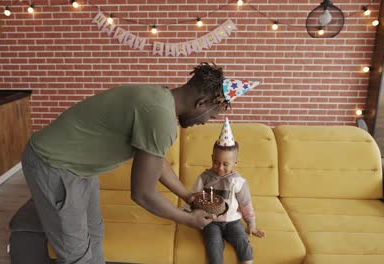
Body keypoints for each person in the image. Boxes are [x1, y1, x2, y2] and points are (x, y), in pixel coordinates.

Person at [20, 62, 233, 264]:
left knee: (94, 233)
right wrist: (187, 219)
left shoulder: (160, 98)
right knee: (76, 253)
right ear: (201, 104)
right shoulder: (160, 117)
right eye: (211, 116)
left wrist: (187, 196)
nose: (205, 122)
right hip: (54, 164)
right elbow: (142, 194)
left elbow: (156, 160)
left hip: (81, 169)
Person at [190, 118, 265, 264]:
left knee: (243, 242)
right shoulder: (204, 177)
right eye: (216, 162)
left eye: (226, 164)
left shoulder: (237, 181)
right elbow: (193, 198)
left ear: (235, 163)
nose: (220, 167)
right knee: (213, 245)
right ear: (212, 158)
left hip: (233, 221)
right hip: (210, 221)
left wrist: (252, 225)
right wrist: (188, 214)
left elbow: (245, 204)